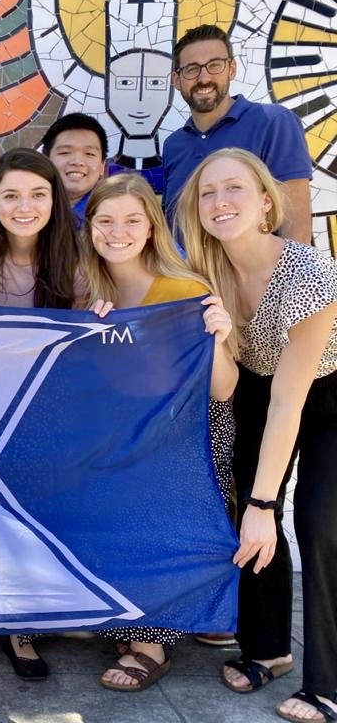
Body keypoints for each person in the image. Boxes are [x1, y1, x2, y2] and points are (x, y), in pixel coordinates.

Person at [176, 148, 337, 723]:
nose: (220, 202)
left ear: (266, 201)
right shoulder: (202, 269)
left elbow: (291, 401)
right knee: (245, 512)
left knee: (318, 522)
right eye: (208, 193)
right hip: (254, 389)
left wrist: (269, 501)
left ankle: (330, 683)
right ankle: (269, 649)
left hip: (324, 395)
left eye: (235, 189)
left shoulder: (309, 273)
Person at [80, 172, 239, 691]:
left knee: (162, 514)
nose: (117, 231)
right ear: (91, 228)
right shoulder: (93, 296)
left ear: (151, 228)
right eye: (105, 220)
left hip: (186, 435)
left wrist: (217, 338)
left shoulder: (184, 290)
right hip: (131, 434)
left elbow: (222, 390)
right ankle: (133, 618)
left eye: (131, 220)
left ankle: (154, 641)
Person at [0, 148, 81, 681]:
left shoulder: (75, 255)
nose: (24, 206)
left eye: (37, 194)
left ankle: (22, 624)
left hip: (48, 411)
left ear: (54, 199)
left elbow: (100, 328)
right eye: (10, 195)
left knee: (31, 516)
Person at [163, 25, 313, 243]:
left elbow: (296, 230)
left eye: (214, 65)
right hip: (188, 276)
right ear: (176, 80)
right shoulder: (173, 145)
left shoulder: (273, 122)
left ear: (231, 69)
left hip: (256, 276)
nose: (204, 78)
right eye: (192, 69)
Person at [39, 113, 109, 223]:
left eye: (89, 154)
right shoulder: (28, 212)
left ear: (102, 166)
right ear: (46, 160)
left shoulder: (112, 214)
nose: (77, 162)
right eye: (65, 152)